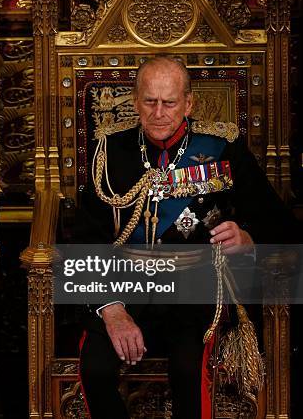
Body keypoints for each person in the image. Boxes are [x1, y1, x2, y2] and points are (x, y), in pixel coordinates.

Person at [74, 56, 299, 418]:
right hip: (125, 288)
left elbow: (280, 224)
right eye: (150, 101)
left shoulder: (222, 148)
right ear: (135, 102)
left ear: (189, 104)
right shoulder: (110, 153)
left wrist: (247, 238)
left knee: (187, 371)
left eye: (170, 102)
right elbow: (84, 241)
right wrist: (112, 309)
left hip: (193, 290)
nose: (159, 112)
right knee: (95, 369)